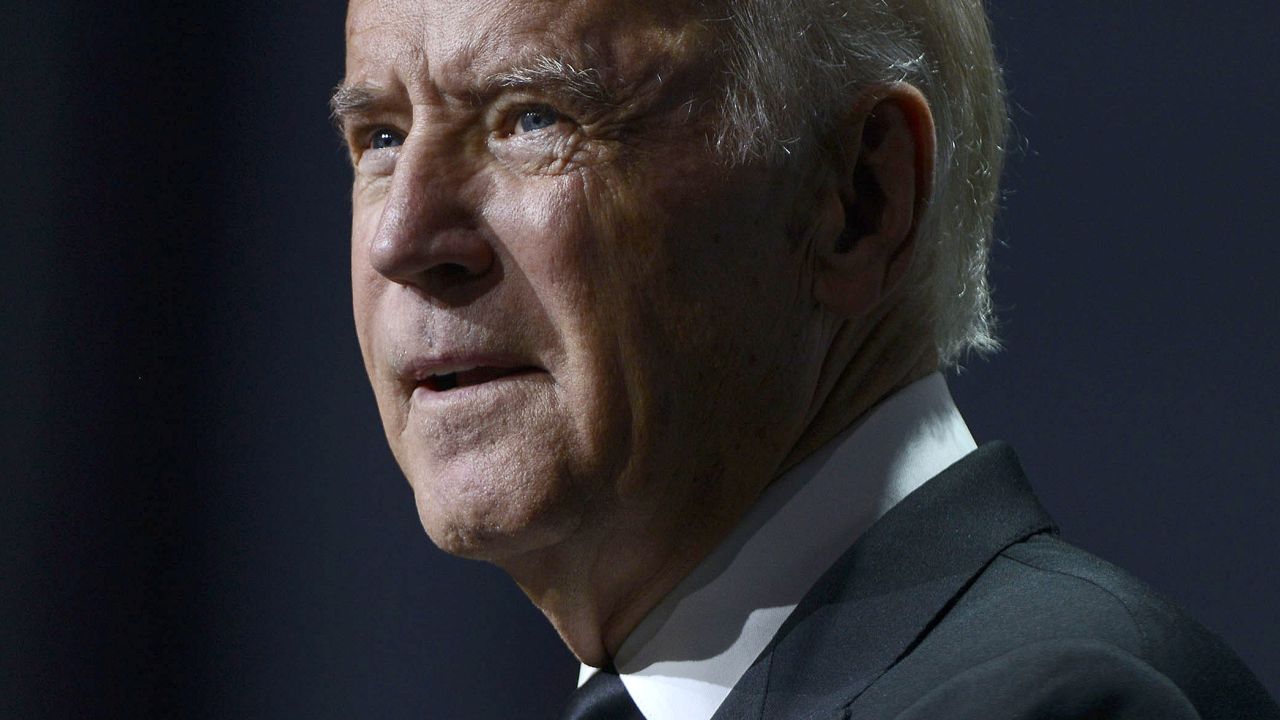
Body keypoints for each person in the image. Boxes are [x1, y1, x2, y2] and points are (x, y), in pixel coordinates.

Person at [333, 0, 1279, 717]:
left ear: (856, 200)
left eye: (533, 118)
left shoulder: (1045, 702)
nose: (403, 237)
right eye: (379, 137)